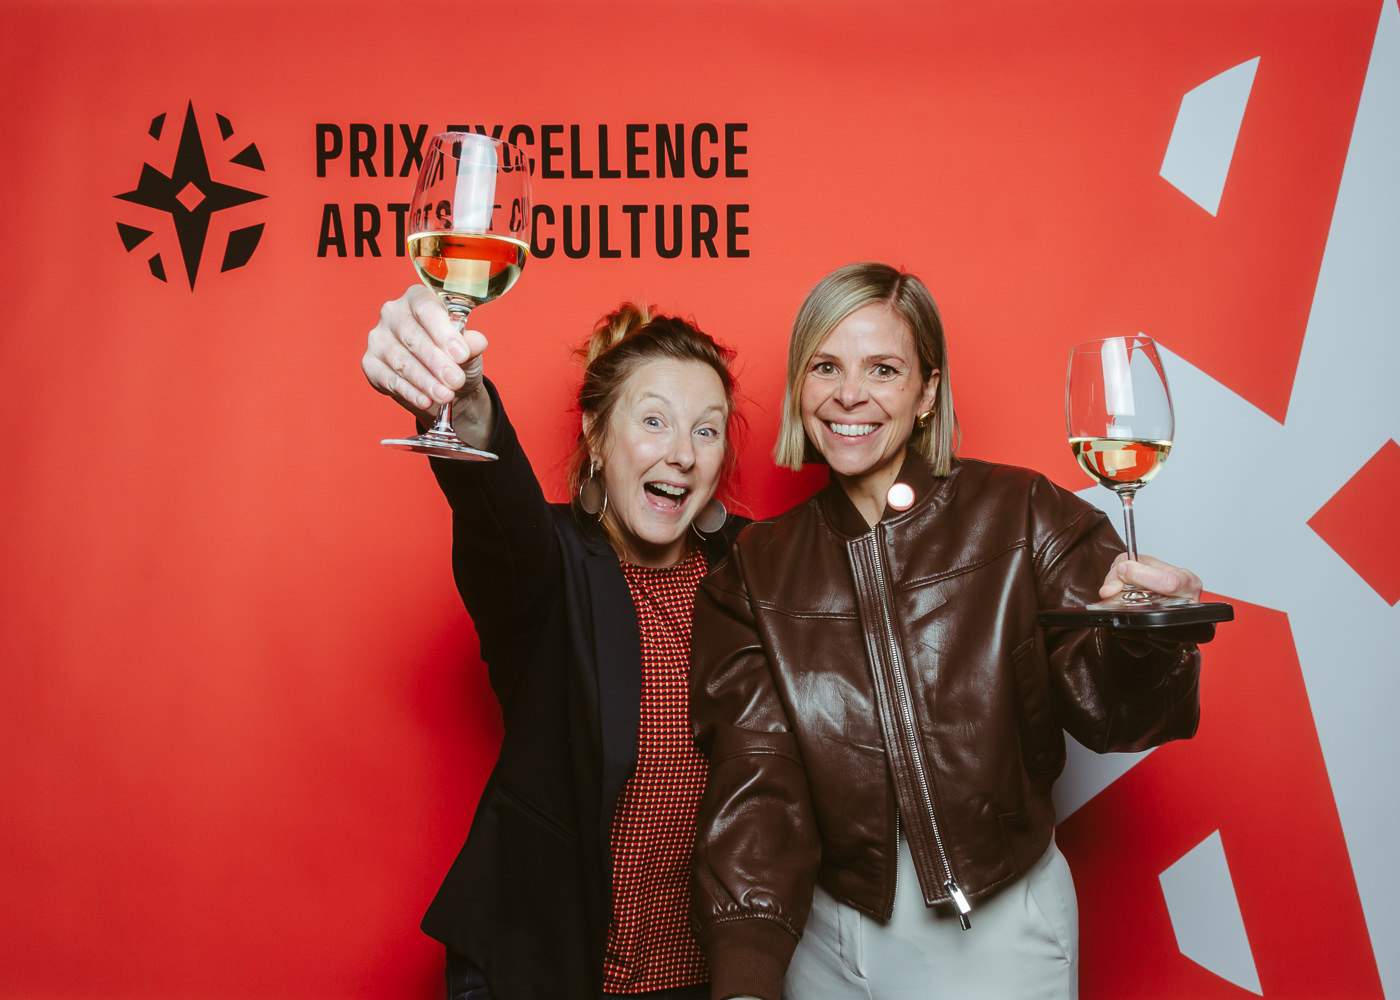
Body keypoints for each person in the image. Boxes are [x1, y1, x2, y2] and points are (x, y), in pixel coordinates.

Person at [688, 263, 1214, 1000]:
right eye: (826, 366)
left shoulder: (1023, 512)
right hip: (821, 941)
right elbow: (758, 779)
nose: (848, 394)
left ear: (928, 392)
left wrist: (1146, 636)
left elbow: (1118, 714)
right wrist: (747, 971)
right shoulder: (755, 569)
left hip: (995, 932)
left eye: (883, 369)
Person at [363, 285, 747, 1000]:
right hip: (546, 972)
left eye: (707, 430)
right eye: (654, 421)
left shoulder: (756, 571)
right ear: (596, 436)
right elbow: (496, 506)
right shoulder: (547, 565)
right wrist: (462, 402)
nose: (682, 455)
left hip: (705, 980)